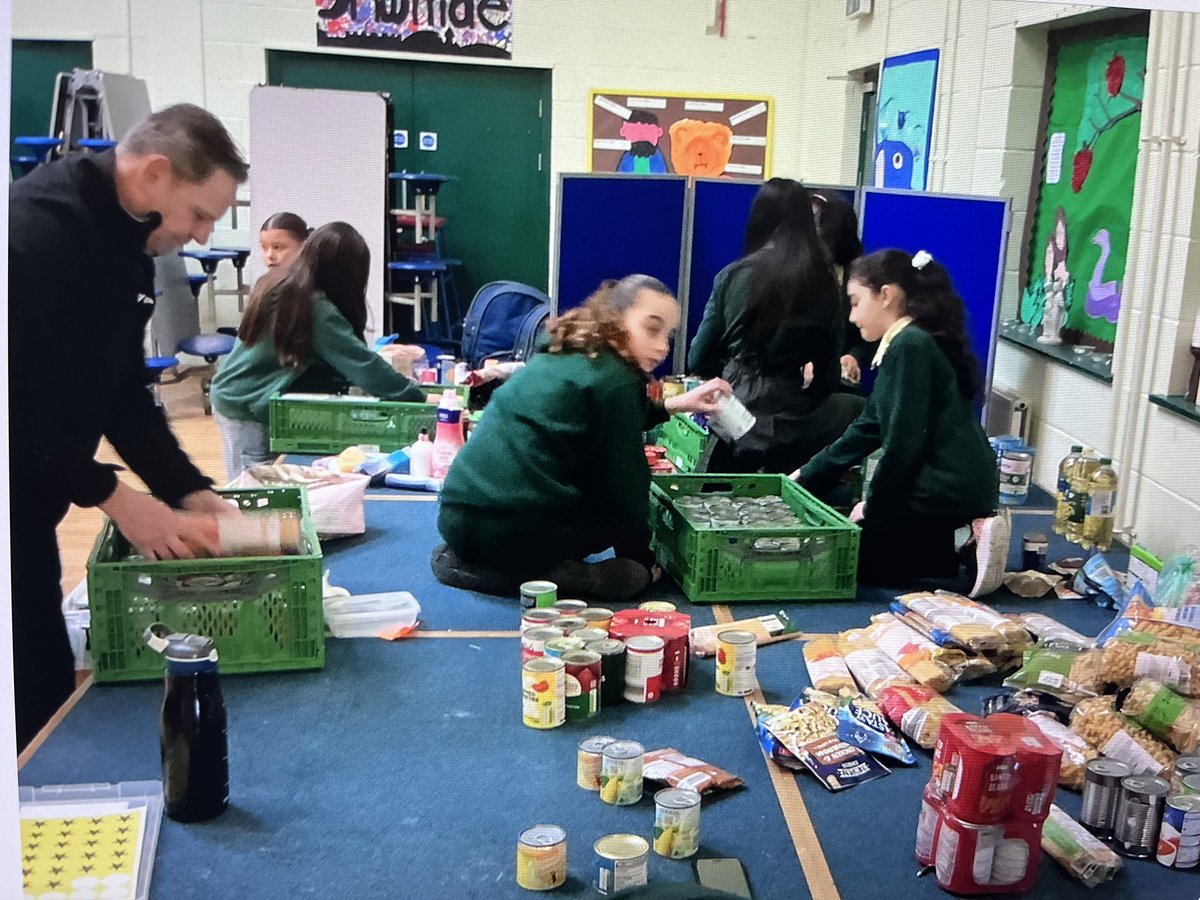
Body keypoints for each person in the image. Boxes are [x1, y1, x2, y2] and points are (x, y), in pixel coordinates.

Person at [8, 103, 249, 751]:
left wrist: (189, 491)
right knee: (31, 683)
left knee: (42, 674)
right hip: (19, 479)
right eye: (199, 214)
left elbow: (123, 393)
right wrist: (114, 498)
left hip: (36, 496)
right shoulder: (33, 238)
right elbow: (17, 409)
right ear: (155, 174)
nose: (202, 236)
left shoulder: (130, 247)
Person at [432, 275, 730, 602]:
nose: (663, 346)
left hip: (457, 519)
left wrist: (678, 404)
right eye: (652, 328)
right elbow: (626, 484)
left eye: (668, 335)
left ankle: (490, 565)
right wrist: (642, 562)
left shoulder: (567, 353)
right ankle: (567, 576)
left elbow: (603, 417)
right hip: (513, 530)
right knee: (605, 506)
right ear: (616, 321)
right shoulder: (616, 379)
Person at [792, 249, 1008, 592]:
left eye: (856, 302)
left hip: (946, 486)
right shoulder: (909, 341)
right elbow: (869, 427)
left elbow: (903, 445)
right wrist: (806, 474)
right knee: (863, 544)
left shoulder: (909, 345)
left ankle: (966, 541)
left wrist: (874, 506)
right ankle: (960, 543)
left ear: (886, 295)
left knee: (846, 562)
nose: (851, 317)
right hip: (954, 481)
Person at [211, 222, 426, 478]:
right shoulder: (312, 306)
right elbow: (362, 365)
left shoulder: (282, 282)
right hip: (246, 404)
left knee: (251, 480)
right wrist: (419, 398)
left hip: (237, 394)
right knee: (255, 488)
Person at [688, 178, 863, 473]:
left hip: (730, 418)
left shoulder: (732, 276)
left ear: (759, 217)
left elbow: (699, 357)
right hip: (790, 423)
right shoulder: (824, 283)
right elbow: (826, 376)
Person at [810, 189, 873, 387]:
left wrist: (854, 356)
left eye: (817, 224)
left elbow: (870, 333)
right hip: (795, 383)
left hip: (839, 382)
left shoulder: (860, 274)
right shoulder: (790, 273)